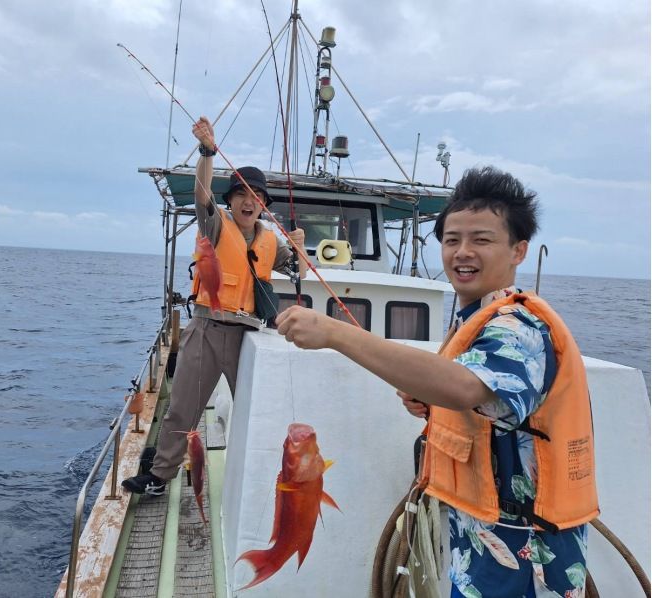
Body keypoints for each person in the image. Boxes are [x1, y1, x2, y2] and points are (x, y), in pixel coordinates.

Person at [275, 166, 597, 597]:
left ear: (518, 251)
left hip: (529, 543)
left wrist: (335, 333)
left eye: (481, 239)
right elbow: (473, 399)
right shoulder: (475, 318)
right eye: (451, 240)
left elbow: (467, 387)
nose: (463, 252)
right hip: (479, 529)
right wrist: (431, 401)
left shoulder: (519, 324)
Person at [122, 116, 306, 496]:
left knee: (259, 408)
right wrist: (207, 151)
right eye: (242, 195)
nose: (249, 202)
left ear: (263, 205)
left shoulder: (271, 242)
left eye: (257, 198)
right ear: (232, 200)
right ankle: (160, 475)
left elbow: (297, 268)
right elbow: (201, 195)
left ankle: (274, 476)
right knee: (182, 408)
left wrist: (300, 247)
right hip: (206, 329)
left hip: (249, 336)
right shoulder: (216, 225)